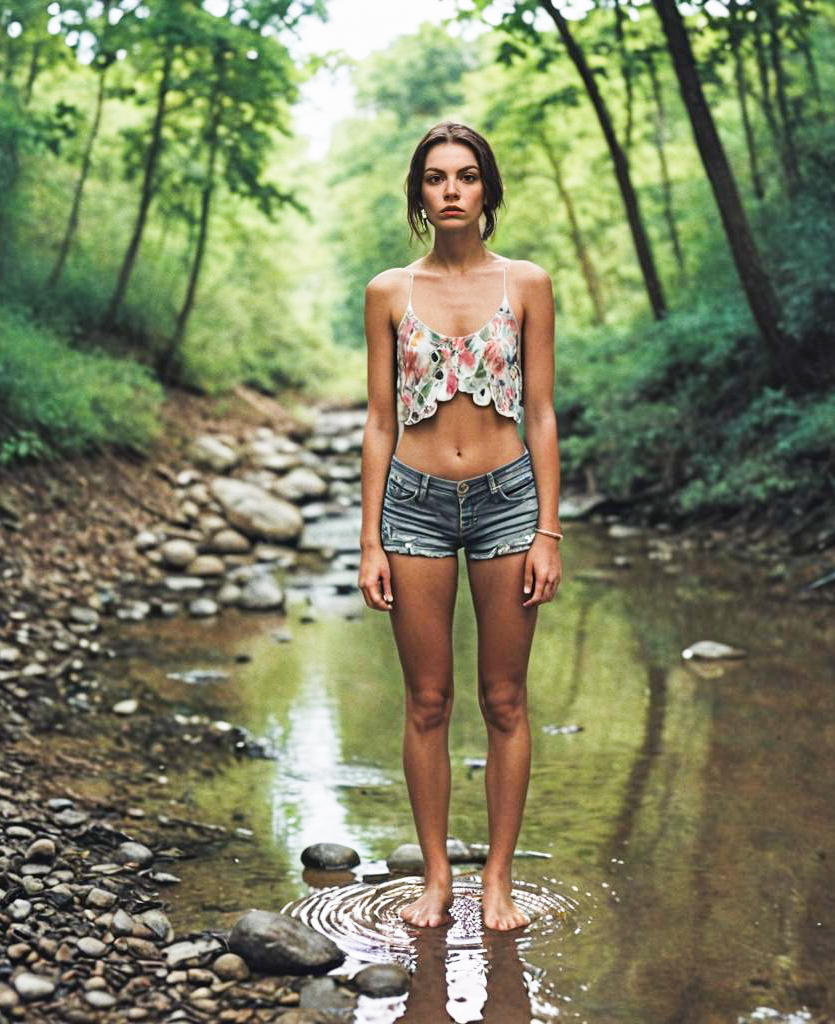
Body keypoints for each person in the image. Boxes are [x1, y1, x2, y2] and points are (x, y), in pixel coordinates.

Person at [358, 122, 563, 932]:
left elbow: (542, 413)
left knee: (506, 699)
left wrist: (549, 529)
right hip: (413, 503)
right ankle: (438, 878)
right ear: (419, 194)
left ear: (487, 191)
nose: (451, 190)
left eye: (467, 176)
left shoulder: (529, 285)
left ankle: (499, 883)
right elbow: (379, 421)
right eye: (436, 177)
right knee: (429, 701)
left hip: (510, 500)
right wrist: (369, 537)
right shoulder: (387, 291)